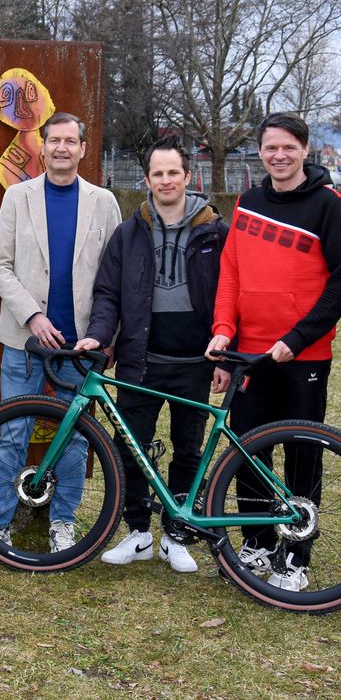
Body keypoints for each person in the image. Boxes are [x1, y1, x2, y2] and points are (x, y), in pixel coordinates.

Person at [0, 112, 121, 556]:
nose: (62, 148)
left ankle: (63, 524)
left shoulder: (104, 202)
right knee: (13, 431)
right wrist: (32, 316)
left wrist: (106, 336)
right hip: (24, 340)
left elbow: (114, 275)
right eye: (54, 141)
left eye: (71, 141)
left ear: (84, 149)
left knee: (76, 435)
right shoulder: (18, 197)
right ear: (42, 147)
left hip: (81, 344)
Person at [77, 138, 229, 572]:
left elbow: (229, 294)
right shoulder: (129, 233)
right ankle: (138, 532)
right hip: (140, 360)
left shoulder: (215, 231)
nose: (165, 180)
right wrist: (99, 336)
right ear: (147, 180)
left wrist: (224, 354)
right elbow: (107, 293)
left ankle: (176, 535)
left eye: (173, 172)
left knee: (188, 449)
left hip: (195, 363)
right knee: (132, 446)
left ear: (187, 176)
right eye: (157, 173)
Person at [206, 111, 341, 592]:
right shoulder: (247, 203)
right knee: (247, 450)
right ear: (260, 152)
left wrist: (296, 340)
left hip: (302, 358)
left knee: (302, 455)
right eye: (270, 148)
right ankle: (258, 543)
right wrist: (224, 332)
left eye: (288, 147)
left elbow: (338, 286)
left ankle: (296, 555)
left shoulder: (329, 206)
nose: (279, 156)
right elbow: (231, 276)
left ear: (305, 149)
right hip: (249, 356)